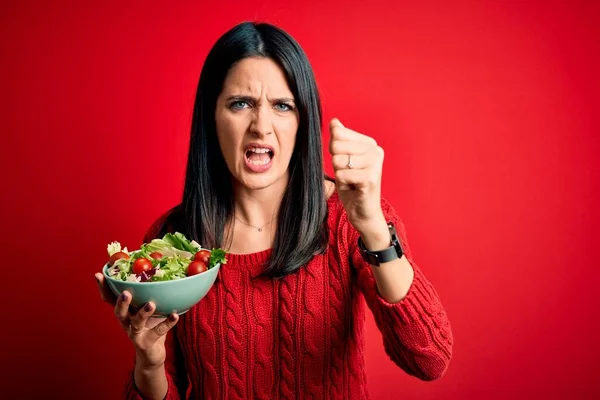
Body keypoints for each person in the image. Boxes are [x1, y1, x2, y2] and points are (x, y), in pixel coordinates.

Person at [95, 21, 452, 400]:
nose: (261, 126)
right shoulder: (171, 242)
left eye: (283, 106)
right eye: (240, 103)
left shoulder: (352, 217)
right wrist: (148, 363)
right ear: (212, 117)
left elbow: (428, 359)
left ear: (303, 121)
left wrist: (374, 229)